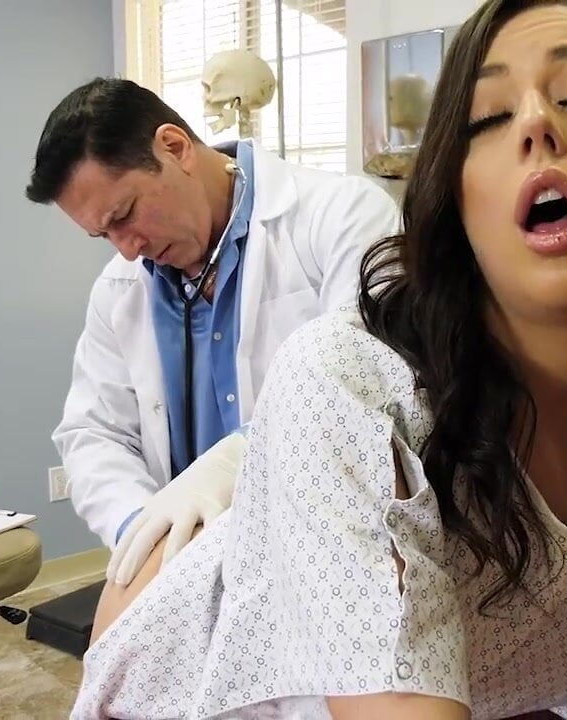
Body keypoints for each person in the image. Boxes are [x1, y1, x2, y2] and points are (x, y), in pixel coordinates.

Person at [73, 0, 567, 717]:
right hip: (179, 671)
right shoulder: (355, 386)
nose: (535, 123)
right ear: (456, 201)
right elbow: (100, 432)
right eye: (489, 117)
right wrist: (188, 497)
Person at [25, 79, 400, 587]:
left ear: (174, 147)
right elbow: (94, 433)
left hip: (327, 555)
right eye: (104, 234)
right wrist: (143, 529)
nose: (127, 249)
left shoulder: (344, 217)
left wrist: (234, 460)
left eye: (124, 215)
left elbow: (369, 381)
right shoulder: (121, 287)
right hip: (187, 568)